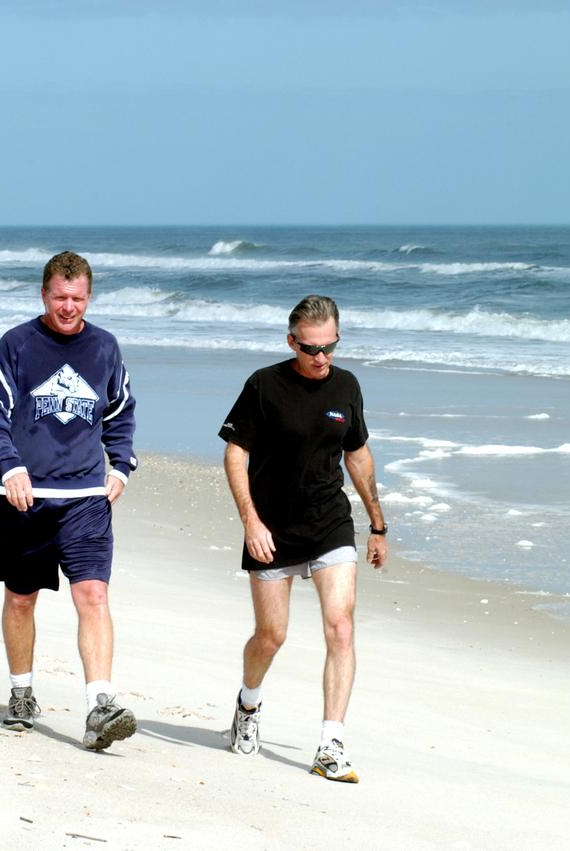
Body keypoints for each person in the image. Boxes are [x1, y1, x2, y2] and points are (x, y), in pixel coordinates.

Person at [218, 294, 388, 783]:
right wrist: (251, 521)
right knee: (272, 636)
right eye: (311, 348)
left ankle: (331, 743)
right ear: (291, 341)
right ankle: (248, 705)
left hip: (330, 523)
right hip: (271, 527)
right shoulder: (264, 385)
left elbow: (357, 455)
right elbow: (235, 455)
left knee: (341, 626)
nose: (322, 358)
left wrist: (377, 524)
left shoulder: (347, 386)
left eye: (330, 347)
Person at [0, 250, 138, 751]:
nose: (69, 307)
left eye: (78, 298)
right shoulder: (17, 345)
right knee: (20, 599)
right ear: (43, 294)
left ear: (89, 297)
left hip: (87, 496)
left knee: (93, 595)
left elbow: (120, 412)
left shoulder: (105, 348)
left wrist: (123, 466)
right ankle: (22, 694)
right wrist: (11, 466)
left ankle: (100, 705)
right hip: (25, 499)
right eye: (60, 297)